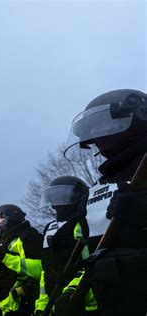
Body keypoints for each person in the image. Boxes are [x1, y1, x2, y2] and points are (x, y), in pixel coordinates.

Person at [64, 89, 147, 315]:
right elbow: (89, 257)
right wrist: (70, 292)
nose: (94, 135)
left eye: (101, 124)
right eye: (90, 130)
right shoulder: (93, 193)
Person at [34, 176, 98, 315]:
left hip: (83, 303)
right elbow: (46, 271)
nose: (57, 200)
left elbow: (91, 265)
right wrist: (42, 305)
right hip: (54, 305)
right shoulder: (49, 228)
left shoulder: (85, 223)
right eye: (54, 196)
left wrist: (73, 293)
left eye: (62, 195)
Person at [0, 204, 42, 316]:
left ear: (11, 217)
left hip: (26, 304)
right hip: (9, 306)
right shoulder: (7, 241)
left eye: (0, 219)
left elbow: (39, 269)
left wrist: (5, 258)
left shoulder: (27, 237)